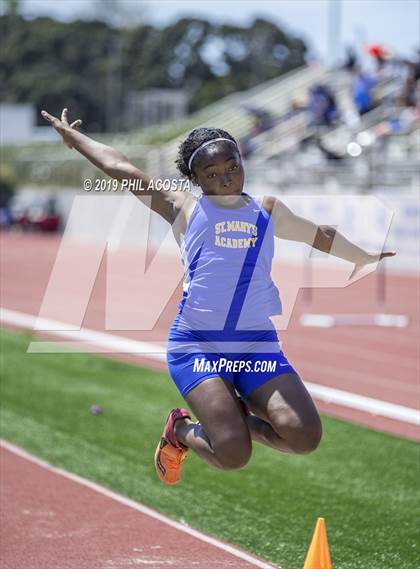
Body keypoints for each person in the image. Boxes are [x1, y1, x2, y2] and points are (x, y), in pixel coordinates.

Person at [41, 108, 395, 485]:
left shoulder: (267, 210)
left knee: (304, 436)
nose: (226, 179)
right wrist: (74, 140)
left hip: (256, 346)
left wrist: (361, 256)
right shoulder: (184, 208)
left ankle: (238, 413)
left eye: (232, 167)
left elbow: (318, 234)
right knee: (233, 454)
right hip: (198, 348)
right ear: (195, 179)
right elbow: (121, 167)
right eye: (212, 175)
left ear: (242, 160)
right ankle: (178, 431)